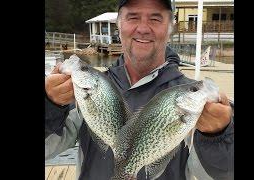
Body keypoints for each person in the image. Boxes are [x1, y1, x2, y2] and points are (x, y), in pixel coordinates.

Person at [45, 0, 234, 179]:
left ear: (170, 28)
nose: (143, 28)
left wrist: (217, 136)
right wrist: (50, 104)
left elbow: (223, 175)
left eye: (155, 18)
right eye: (133, 17)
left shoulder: (206, 106)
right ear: (118, 25)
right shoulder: (81, 89)